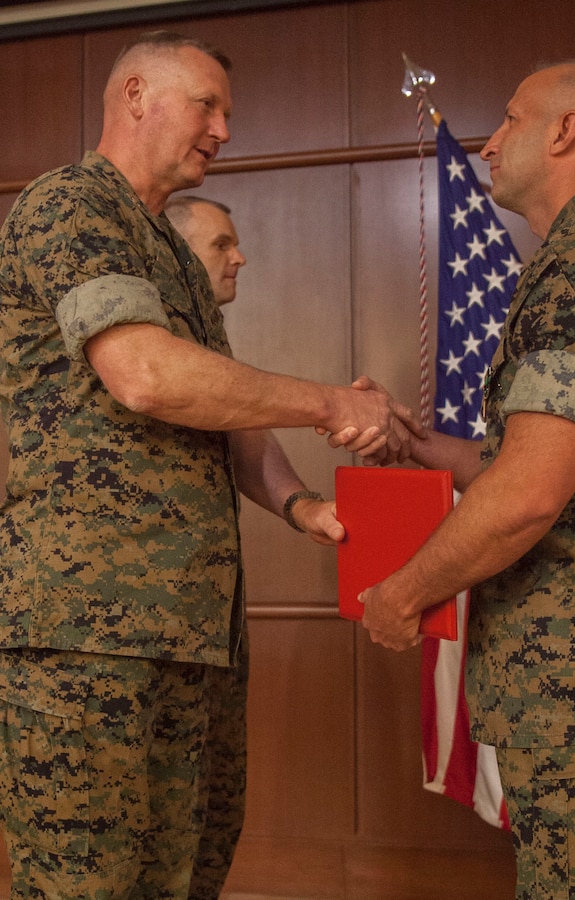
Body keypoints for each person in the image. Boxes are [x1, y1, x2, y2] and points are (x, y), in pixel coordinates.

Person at [0, 31, 422, 898]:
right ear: (134, 96)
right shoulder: (72, 205)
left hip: (191, 630)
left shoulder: (166, 250)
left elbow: (218, 411)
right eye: (207, 105)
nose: (224, 129)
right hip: (88, 632)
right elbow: (148, 377)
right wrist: (331, 403)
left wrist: (301, 505)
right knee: (88, 882)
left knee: (186, 871)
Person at [346, 60, 575, 898]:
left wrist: (403, 591)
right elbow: (532, 460)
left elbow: (529, 494)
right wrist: (418, 441)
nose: (489, 143)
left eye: (507, 120)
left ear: (565, 131)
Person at [165, 194, 336, 897]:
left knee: (208, 822)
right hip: (124, 634)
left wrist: (303, 508)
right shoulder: (142, 336)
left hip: (207, 628)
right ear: (174, 252)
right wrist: (333, 404)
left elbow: (240, 435)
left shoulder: (205, 335)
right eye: (221, 244)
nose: (240, 256)